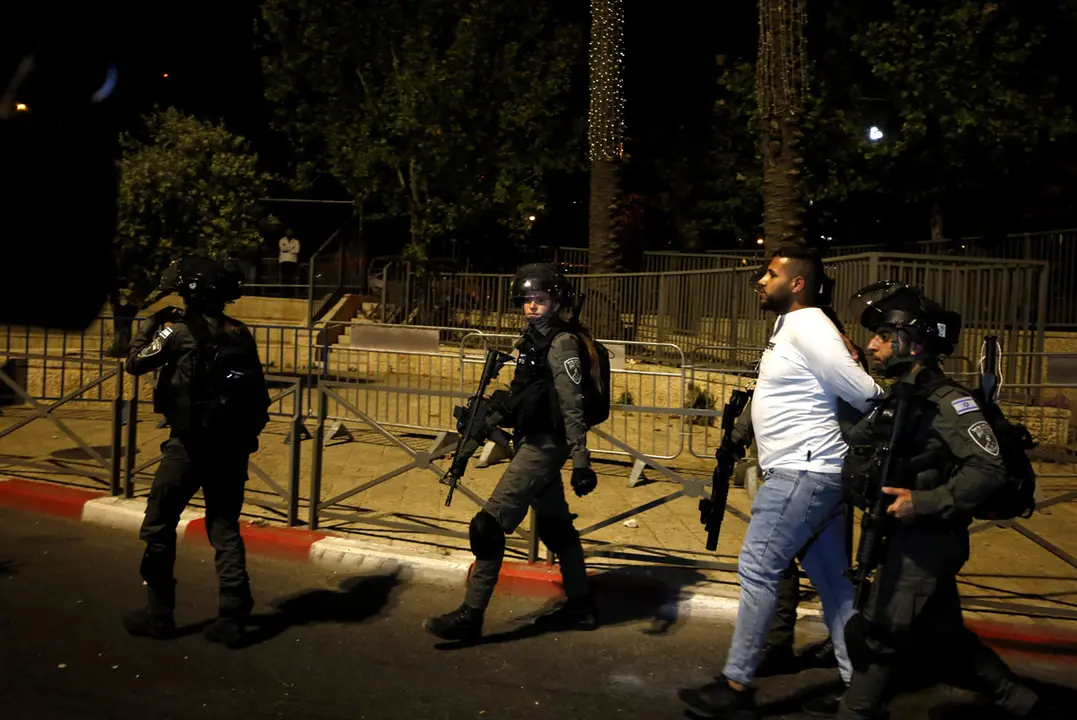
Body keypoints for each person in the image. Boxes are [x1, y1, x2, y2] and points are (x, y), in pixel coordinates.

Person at [836, 281, 1058, 719]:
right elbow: (858, 440)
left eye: (881, 335)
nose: (872, 344)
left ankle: (854, 711)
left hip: (928, 540)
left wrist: (925, 502)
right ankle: (1029, 706)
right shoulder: (902, 396)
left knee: (881, 636)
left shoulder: (949, 402)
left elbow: (989, 470)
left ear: (912, 343)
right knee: (947, 638)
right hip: (900, 536)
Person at [680, 246, 884, 719]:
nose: (760, 280)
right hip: (813, 472)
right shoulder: (791, 326)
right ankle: (860, 691)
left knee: (757, 568)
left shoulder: (810, 324)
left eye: (770, 274)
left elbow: (864, 391)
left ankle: (737, 686)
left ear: (796, 283)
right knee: (834, 586)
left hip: (802, 472)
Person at [423, 263, 601, 641]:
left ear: (557, 302)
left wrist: (581, 461)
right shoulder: (529, 341)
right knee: (556, 528)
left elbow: (572, 406)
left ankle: (471, 614)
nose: (532, 307)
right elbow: (524, 396)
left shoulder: (561, 343)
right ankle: (581, 607)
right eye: (527, 300)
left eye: (540, 300)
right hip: (529, 439)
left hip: (544, 446)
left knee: (487, 526)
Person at [122, 256, 270, 649]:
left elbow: (135, 362)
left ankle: (159, 614)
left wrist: (151, 324)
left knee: (158, 525)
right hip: (232, 445)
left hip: (188, 446)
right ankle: (234, 617)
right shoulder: (240, 332)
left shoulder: (177, 331)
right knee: (224, 528)